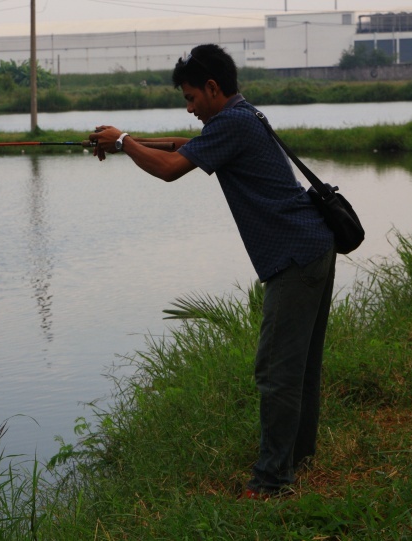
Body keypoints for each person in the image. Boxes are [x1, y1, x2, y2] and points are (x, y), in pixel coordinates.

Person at [87, 43, 336, 499]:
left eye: (191, 98)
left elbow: (169, 169)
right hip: (314, 246)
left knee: (276, 370)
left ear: (213, 88)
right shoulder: (243, 117)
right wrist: (125, 142)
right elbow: (185, 147)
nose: (189, 108)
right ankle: (297, 457)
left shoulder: (233, 123)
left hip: (295, 259)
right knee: (300, 368)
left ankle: (272, 480)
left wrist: (124, 142)